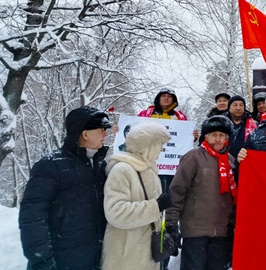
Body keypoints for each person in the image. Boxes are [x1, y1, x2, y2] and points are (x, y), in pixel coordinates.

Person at [19, 107, 112, 270]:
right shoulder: (51, 165)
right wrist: (42, 261)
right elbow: (32, 216)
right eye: (102, 130)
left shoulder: (101, 166)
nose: (106, 134)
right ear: (85, 134)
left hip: (94, 259)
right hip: (61, 262)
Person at [166, 116, 236, 270]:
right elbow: (177, 190)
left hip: (221, 232)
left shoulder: (230, 161)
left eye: (221, 135)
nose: (218, 139)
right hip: (195, 231)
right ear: (206, 136)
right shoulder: (193, 157)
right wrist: (171, 223)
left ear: (226, 138)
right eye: (214, 135)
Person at [102, 122, 172, 270]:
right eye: (159, 144)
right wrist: (156, 206)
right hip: (127, 254)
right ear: (147, 145)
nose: (161, 148)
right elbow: (116, 212)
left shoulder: (149, 170)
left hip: (147, 253)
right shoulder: (122, 170)